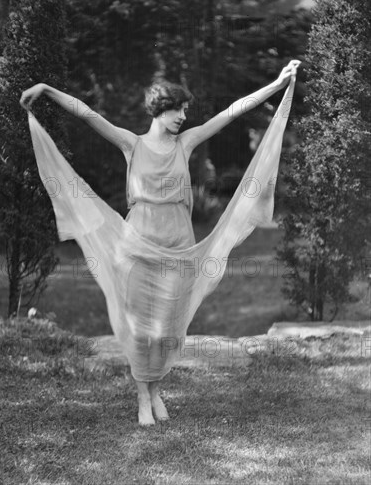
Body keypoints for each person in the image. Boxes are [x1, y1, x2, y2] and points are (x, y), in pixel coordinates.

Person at [20, 60, 301, 426]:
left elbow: (231, 112)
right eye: (177, 109)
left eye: (185, 110)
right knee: (140, 324)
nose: (183, 116)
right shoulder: (131, 144)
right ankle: (142, 396)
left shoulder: (186, 143)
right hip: (137, 244)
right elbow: (88, 114)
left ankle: (156, 390)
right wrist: (46, 89)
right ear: (159, 109)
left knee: (167, 326)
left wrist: (276, 85)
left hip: (179, 246)